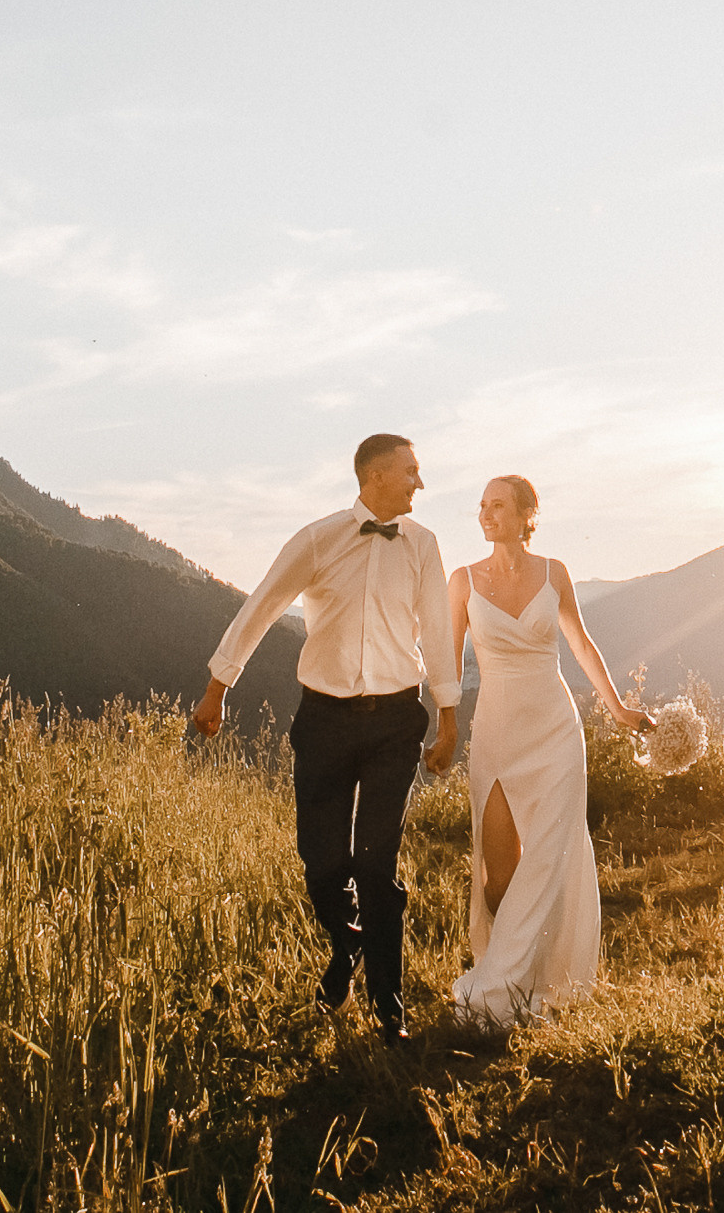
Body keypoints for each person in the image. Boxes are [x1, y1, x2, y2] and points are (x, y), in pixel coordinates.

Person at [191, 434, 462, 1045]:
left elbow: (439, 632)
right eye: (411, 471)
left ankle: (388, 1000)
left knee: (376, 862)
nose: (420, 482)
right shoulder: (318, 538)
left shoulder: (423, 545)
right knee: (320, 861)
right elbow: (261, 605)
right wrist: (218, 685)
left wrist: (448, 716)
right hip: (325, 721)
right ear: (373, 476)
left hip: (396, 719)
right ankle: (350, 943)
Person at [449, 475, 653, 1025]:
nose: (486, 515)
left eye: (497, 506)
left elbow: (582, 646)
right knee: (498, 873)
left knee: (548, 858)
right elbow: (444, 667)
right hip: (495, 734)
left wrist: (617, 709)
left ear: (525, 514)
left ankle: (517, 987)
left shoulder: (554, 573)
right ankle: (508, 968)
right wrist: (442, 729)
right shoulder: (463, 581)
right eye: (482, 507)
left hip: (556, 733)